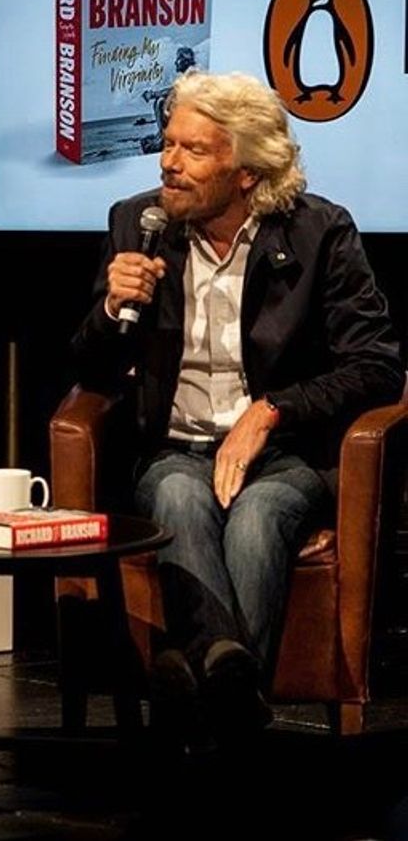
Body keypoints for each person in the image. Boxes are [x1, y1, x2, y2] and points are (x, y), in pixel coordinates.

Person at [71, 70, 403, 751]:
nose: (169, 163)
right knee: (178, 496)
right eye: (167, 143)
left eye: (193, 150)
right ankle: (230, 697)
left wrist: (271, 411)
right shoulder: (137, 224)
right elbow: (92, 372)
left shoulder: (319, 231)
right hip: (176, 450)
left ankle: (194, 695)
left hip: (286, 455)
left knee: (257, 518)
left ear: (247, 171)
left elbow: (377, 366)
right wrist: (110, 309)